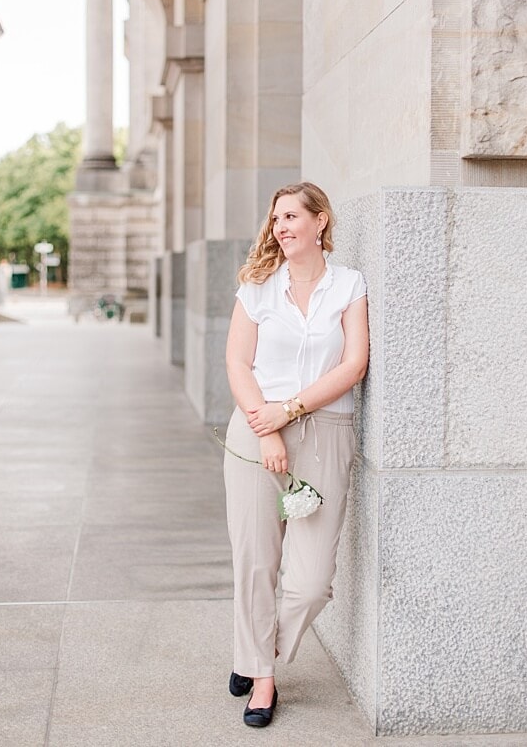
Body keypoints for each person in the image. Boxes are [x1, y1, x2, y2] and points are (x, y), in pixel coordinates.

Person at [222, 181, 368, 727]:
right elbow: (238, 364)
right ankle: (263, 680)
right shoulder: (257, 288)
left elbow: (353, 365)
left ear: (320, 221)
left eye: (290, 217)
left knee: (310, 583)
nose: (280, 227)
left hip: (325, 430)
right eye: (276, 219)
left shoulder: (350, 285)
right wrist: (267, 428)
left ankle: (254, 654)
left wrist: (292, 411)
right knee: (256, 561)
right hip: (256, 430)